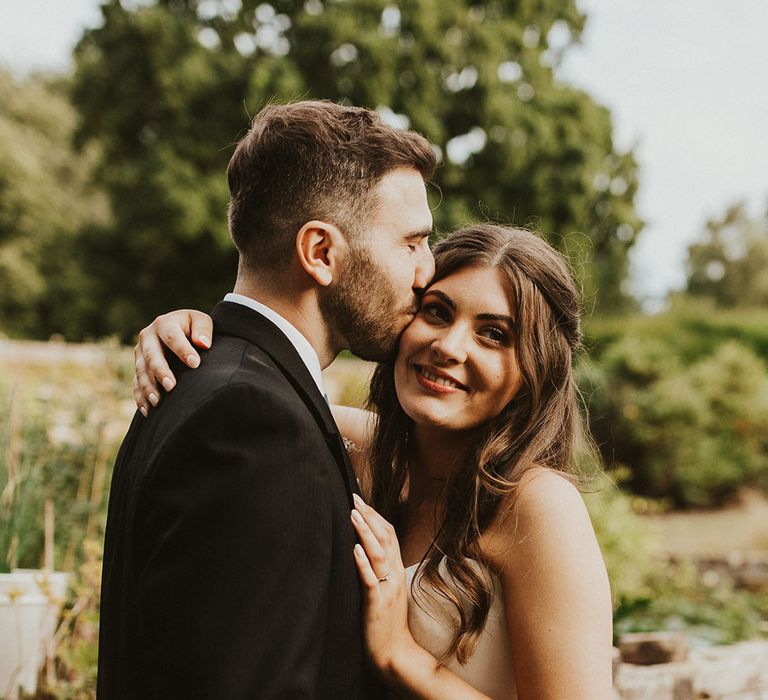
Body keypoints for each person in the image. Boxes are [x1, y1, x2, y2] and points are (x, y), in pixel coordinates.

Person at [134, 224, 614, 699]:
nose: (448, 346)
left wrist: (399, 653)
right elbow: (256, 391)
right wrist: (194, 332)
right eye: (436, 312)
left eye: (493, 334)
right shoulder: (363, 449)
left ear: (535, 369)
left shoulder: (536, 504)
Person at [97, 99, 437, 699]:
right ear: (321, 253)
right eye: (411, 243)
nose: (426, 271)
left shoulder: (218, 384)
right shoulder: (255, 424)